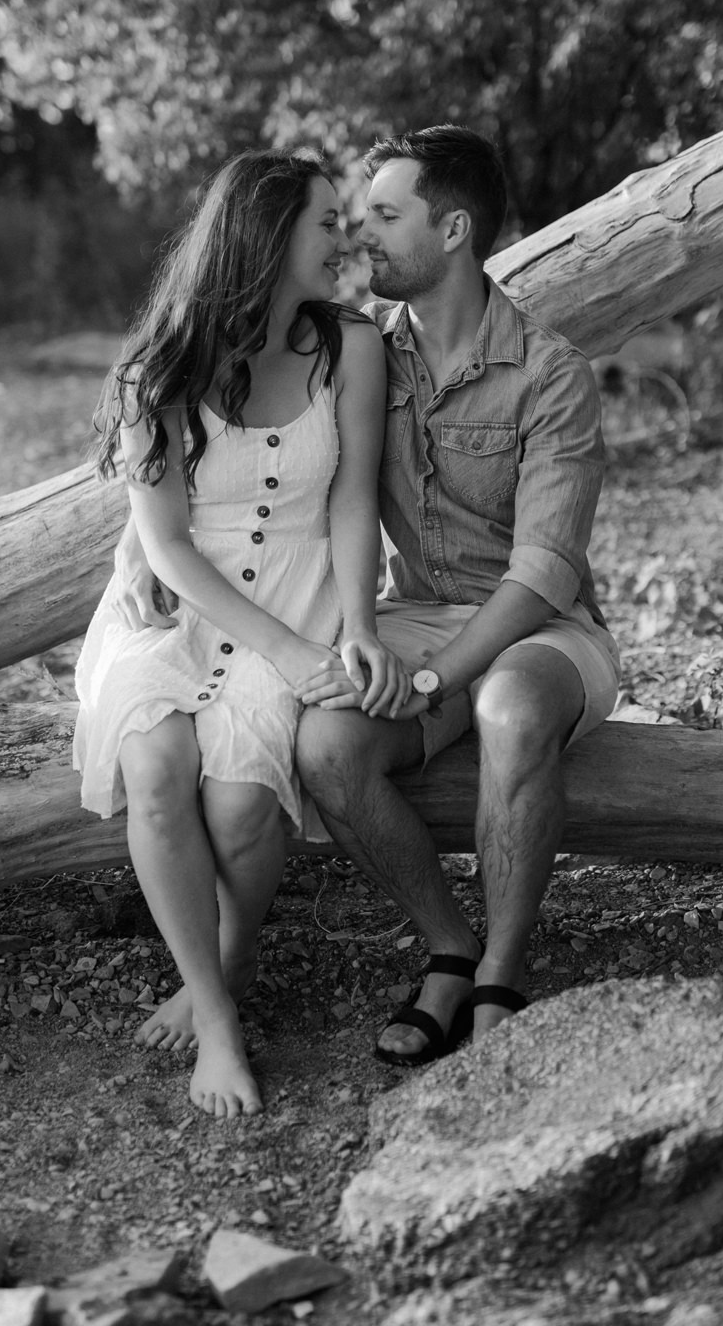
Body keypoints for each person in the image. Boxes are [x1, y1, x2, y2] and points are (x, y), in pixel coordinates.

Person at [73, 150, 406, 1119]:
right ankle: (218, 1020)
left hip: (303, 596)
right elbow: (168, 549)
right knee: (157, 763)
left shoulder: (351, 347)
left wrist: (357, 629)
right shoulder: (158, 369)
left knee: (240, 807)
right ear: (265, 239)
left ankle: (226, 959)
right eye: (327, 222)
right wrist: (289, 652)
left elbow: (351, 505)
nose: (346, 238)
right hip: (182, 606)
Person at [294, 124, 621, 1066]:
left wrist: (435, 680)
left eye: (387, 215)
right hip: (413, 613)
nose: (365, 236)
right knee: (325, 743)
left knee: (511, 709)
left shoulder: (550, 374)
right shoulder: (362, 354)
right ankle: (447, 946)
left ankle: (501, 978)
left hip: (543, 631)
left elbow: (544, 573)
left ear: (454, 231)